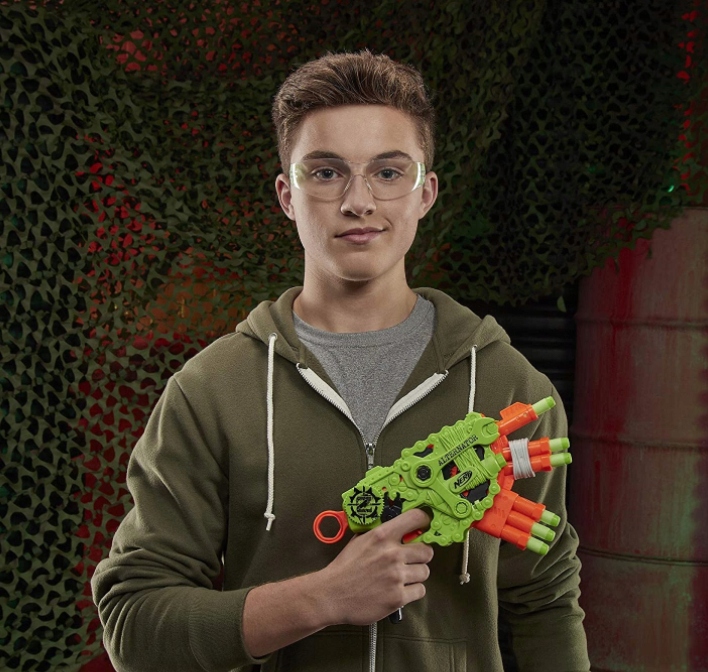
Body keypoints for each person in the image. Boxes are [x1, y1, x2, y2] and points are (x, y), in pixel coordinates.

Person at [92, 49, 590, 672]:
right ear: (286, 195)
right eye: (326, 173)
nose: (359, 201)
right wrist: (323, 598)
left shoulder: (509, 387)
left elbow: (546, 601)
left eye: (389, 172)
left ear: (426, 193)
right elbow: (134, 623)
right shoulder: (212, 391)